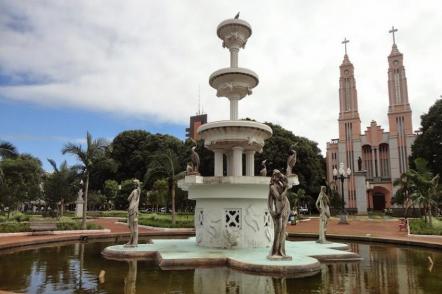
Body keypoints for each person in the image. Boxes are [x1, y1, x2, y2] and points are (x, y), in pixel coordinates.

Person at [125, 179, 141, 247]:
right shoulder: (138, 191)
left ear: (135, 184)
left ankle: (133, 242)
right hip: (133, 209)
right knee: (132, 227)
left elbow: (128, 198)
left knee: (133, 227)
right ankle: (132, 241)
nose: (133, 185)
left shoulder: (135, 191)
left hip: (132, 209)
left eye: (134, 183)